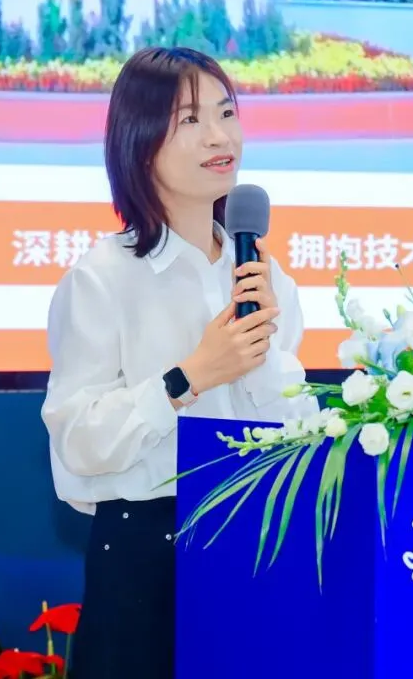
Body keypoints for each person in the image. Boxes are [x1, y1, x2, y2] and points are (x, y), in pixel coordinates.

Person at [40, 47, 318, 679]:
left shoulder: (265, 276)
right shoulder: (103, 278)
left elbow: (292, 428)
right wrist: (188, 377)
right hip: (145, 551)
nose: (220, 137)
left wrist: (262, 355)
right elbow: (78, 441)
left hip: (255, 535)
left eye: (227, 113)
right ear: (141, 143)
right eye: (190, 120)